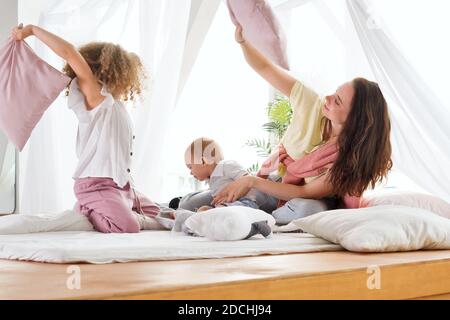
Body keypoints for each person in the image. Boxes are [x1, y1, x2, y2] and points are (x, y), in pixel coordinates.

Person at [213, 25, 393, 225]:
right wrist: (243, 43)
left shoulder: (349, 159)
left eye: (338, 101)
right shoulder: (312, 104)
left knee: (308, 208)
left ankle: (260, 218)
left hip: (305, 200)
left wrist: (252, 182)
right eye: (335, 92)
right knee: (216, 192)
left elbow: (304, 192)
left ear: (355, 119)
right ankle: (241, 211)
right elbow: (266, 69)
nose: (328, 97)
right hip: (277, 186)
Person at [11, 24, 164, 233]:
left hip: (122, 185)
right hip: (96, 185)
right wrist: (32, 31)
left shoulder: (114, 104)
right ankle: (89, 212)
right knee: (128, 226)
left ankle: (101, 209)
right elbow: (69, 53)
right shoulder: (95, 99)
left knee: (158, 215)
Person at [180, 137, 260, 212]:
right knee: (203, 209)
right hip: (226, 206)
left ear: (203, 161)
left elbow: (247, 180)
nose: (190, 173)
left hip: (245, 203)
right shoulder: (211, 179)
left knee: (221, 209)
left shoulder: (226, 165)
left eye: (190, 167)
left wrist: (232, 197)